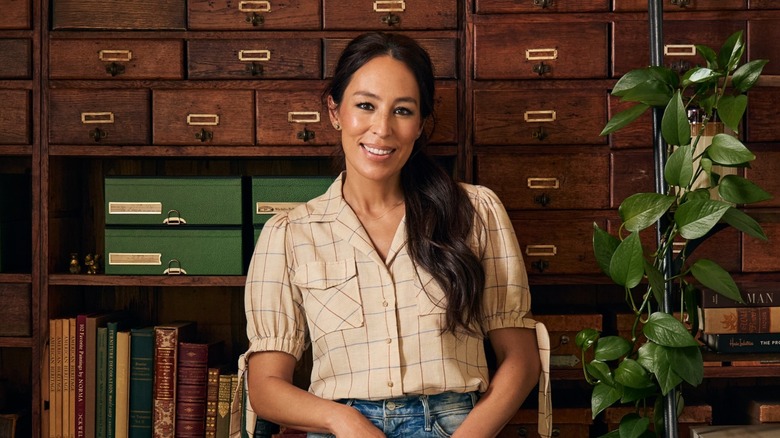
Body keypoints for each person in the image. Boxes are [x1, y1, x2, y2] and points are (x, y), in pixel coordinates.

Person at [234, 31, 552, 438]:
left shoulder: (474, 212)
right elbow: (265, 388)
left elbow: (521, 360)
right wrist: (342, 419)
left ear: (421, 124)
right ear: (334, 111)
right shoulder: (289, 235)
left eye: (402, 111)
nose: (381, 129)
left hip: (457, 425)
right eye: (365, 106)